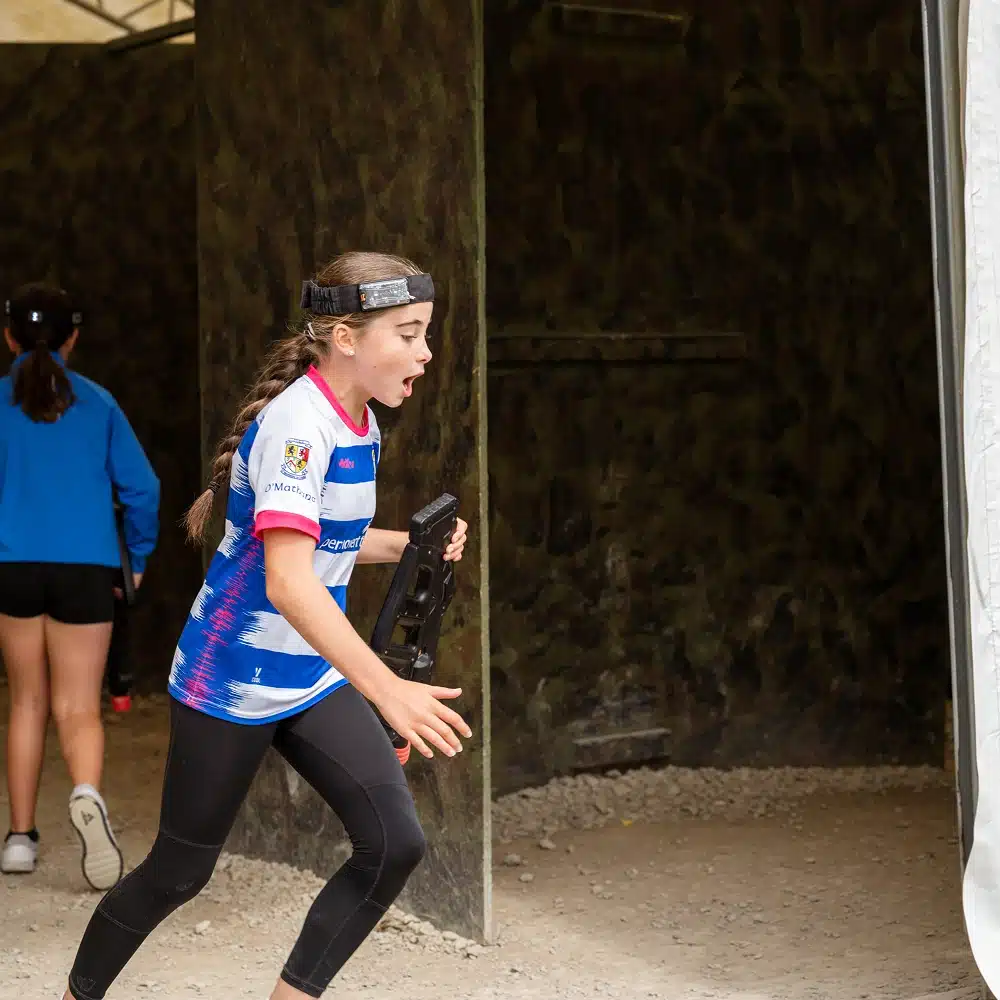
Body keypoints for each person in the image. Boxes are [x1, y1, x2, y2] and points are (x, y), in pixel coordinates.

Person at [62, 251, 473, 1000]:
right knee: (178, 875)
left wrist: (410, 544)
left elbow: (327, 542)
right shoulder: (297, 429)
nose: (426, 351)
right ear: (345, 337)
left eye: (426, 333)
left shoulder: (360, 421)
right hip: (230, 682)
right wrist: (386, 691)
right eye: (409, 333)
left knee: (393, 847)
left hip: (309, 675)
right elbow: (287, 582)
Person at [0, 283, 160, 891]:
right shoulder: (99, 404)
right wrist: (137, 557)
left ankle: (19, 839)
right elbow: (143, 491)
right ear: (73, 336)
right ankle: (87, 795)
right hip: (85, 571)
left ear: (9, 336)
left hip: (12, 567)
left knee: (26, 703)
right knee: (77, 706)